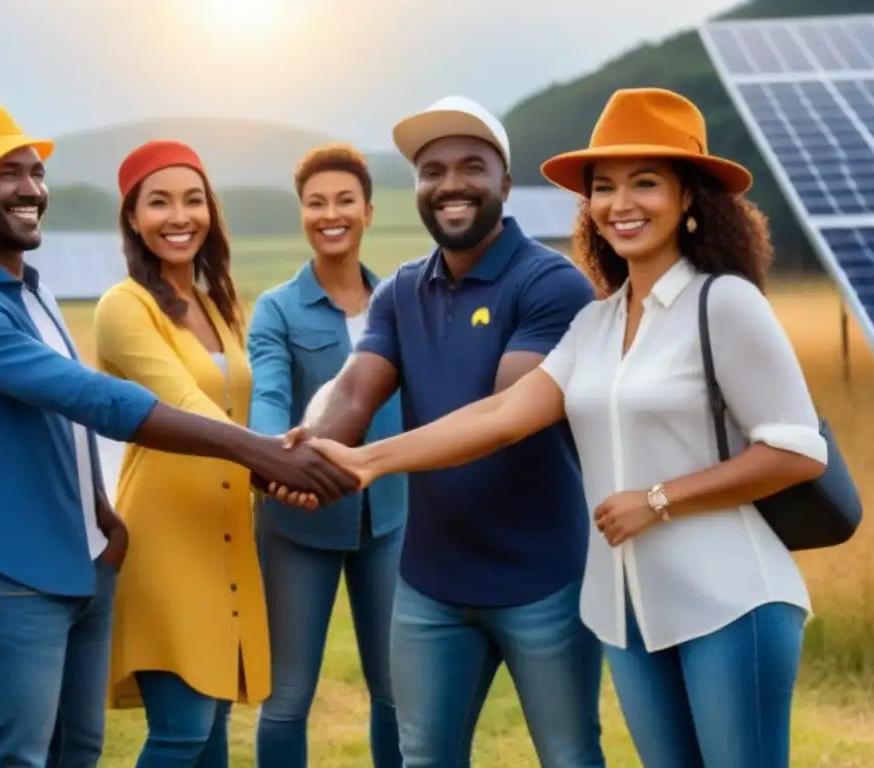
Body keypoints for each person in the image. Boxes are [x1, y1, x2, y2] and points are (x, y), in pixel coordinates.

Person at [304, 88, 828, 768]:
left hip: (731, 602)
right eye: (604, 187)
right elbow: (501, 415)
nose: (621, 203)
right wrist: (366, 461)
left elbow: (795, 452)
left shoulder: (724, 302)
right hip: (628, 610)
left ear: (690, 196)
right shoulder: (597, 323)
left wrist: (658, 499)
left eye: (646, 183)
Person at [0, 106, 355, 768]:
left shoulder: (33, 293)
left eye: (37, 172)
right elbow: (91, 398)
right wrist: (258, 453)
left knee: (78, 753)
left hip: (84, 559)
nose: (32, 188)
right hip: (11, 572)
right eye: (9, 174)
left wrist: (103, 519)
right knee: (17, 760)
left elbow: (56, 424)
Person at [277, 97, 606, 767]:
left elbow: (502, 419)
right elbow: (352, 387)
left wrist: (366, 461)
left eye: (471, 167)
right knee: (424, 759)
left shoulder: (552, 284)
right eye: (432, 171)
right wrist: (307, 451)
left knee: (570, 759)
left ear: (505, 184)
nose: (450, 184)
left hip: (544, 583)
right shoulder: (399, 292)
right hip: (429, 585)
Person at [90, 139, 272, 766]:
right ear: (133, 219)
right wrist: (274, 460)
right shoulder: (124, 306)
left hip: (226, 533)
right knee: (182, 731)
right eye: (159, 202)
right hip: (164, 537)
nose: (179, 217)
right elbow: (184, 407)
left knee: (212, 729)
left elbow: (237, 411)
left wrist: (281, 459)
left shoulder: (218, 304)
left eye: (193, 200)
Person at [247, 144, 407, 768]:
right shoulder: (276, 309)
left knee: (395, 695)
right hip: (295, 523)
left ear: (368, 210)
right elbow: (269, 394)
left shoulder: (401, 301)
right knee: (286, 699)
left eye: (344, 200)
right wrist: (272, 464)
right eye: (316, 203)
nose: (330, 213)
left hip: (390, 520)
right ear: (302, 215)